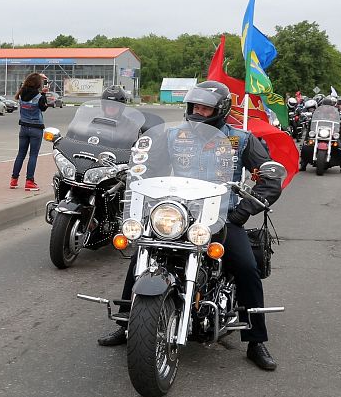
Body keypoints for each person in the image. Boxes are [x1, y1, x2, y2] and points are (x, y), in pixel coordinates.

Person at [97, 80, 284, 371]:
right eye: (195, 105)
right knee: (140, 257)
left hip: (222, 217)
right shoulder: (173, 136)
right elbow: (149, 169)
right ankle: (127, 324)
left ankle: (256, 339)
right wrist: (139, 192)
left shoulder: (242, 140)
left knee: (246, 266)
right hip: (178, 214)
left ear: (220, 110)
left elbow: (270, 178)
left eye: (205, 107)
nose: (198, 110)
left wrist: (241, 212)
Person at [10, 72, 49, 191]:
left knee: (20, 154)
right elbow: (44, 108)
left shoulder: (21, 94)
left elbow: (25, 86)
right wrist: (44, 94)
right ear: (38, 84)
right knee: (33, 155)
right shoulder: (39, 97)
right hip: (36, 129)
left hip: (23, 128)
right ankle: (29, 181)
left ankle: (14, 180)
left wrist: (36, 77)